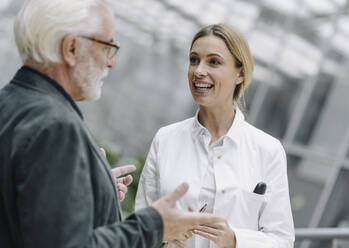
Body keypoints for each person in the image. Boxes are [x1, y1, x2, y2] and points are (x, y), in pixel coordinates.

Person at [0, 1, 224, 247]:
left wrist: (94, 188)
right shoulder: (57, 127)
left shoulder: (10, 103)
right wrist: (154, 226)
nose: (111, 62)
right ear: (71, 48)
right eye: (107, 46)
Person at [135, 24, 295, 247]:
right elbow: (141, 225)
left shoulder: (268, 150)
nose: (199, 70)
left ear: (239, 73)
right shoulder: (166, 139)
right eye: (194, 60)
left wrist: (235, 240)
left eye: (214, 62)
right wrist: (162, 235)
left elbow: (282, 240)